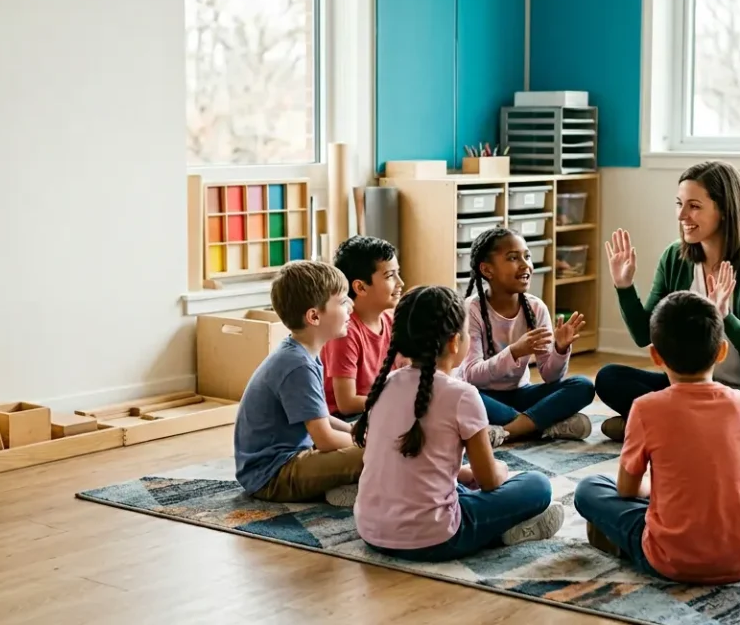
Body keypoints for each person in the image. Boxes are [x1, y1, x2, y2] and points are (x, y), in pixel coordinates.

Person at [353, 285, 565, 561]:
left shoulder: (387, 383)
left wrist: (459, 473)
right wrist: (501, 470)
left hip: (371, 531)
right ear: (454, 342)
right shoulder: (462, 395)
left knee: (459, 487)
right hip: (435, 538)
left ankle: (495, 527)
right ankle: (503, 531)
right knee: (537, 485)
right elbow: (489, 481)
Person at [573, 291, 740, 584]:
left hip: (671, 561)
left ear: (655, 355)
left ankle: (620, 540)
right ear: (722, 351)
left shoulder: (645, 408)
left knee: (589, 488)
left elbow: (627, 491)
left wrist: (657, 488)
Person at [596, 160, 740, 447]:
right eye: (679, 204)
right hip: (687, 387)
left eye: (694, 206)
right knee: (609, 378)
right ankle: (689, 430)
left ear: (725, 209)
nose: (682, 215)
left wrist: (726, 317)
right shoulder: (675, 258)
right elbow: (644, 335)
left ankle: (656, 426)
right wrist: (624, 287)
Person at [233, 260, 363, 506]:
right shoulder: (298, 364)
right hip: (273, 476)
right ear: (314, 316)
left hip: (282, 464)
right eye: (343, 301)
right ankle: (350, 488)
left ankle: (345, 484)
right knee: (380, 454)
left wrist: (356, 431)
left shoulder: (301, 354)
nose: (351, 308)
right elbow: (324, 439)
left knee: (370, 445)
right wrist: (371, 443)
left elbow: (318, 416)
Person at [460, 227, 595, 446]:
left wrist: (560, 350)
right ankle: (544, 425)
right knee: (463, 396)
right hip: (483, 396)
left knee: (583, 386)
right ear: (487, 270)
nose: (525, 265)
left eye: (527, 256)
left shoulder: (536, 308)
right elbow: (472, 375)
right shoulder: (471, 310)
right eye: (513, 258)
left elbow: (550, 377)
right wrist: (514, 352)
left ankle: (509, 430)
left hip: (521, 394)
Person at [322, 235, 405, 418]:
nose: (400, 283)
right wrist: (399, 399)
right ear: (360, 287)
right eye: (390, 275)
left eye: (398, 273)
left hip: (381, 405)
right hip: (349, 418)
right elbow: (347, 403)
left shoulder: (393, 320)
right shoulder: (345, 331)